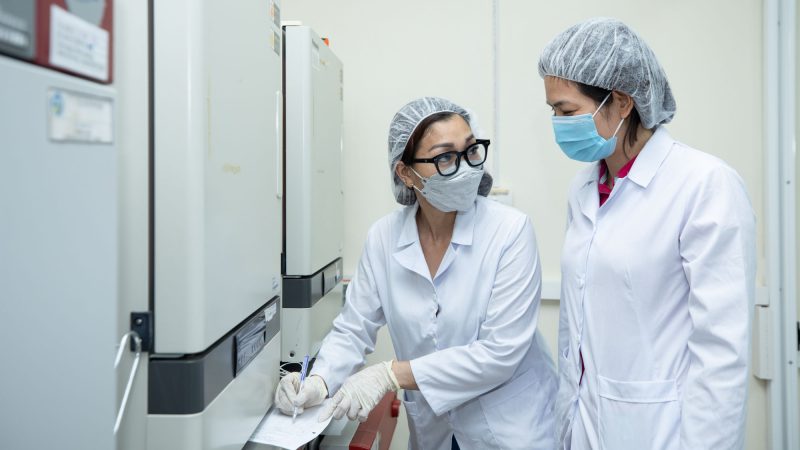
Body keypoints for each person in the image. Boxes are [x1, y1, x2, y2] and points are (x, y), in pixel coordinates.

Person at [273, 97, 556, 449]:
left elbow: (499, 354)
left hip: (510, 428)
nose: (466, 167)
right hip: (435, 431)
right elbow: (353, 328)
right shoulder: (384, 238)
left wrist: (391, 373)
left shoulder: (510, 231)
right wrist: (318, 381)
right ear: (406, 173)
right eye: (445, 157)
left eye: (471, 151)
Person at [538, 17, 756, 450]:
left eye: (567, 111)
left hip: (662, 432)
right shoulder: (583, 188)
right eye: (554, 112)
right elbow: (576, 330)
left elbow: (721, 354)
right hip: (584, 425)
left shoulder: (704, 184)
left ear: (621, 102)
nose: (559, 124)